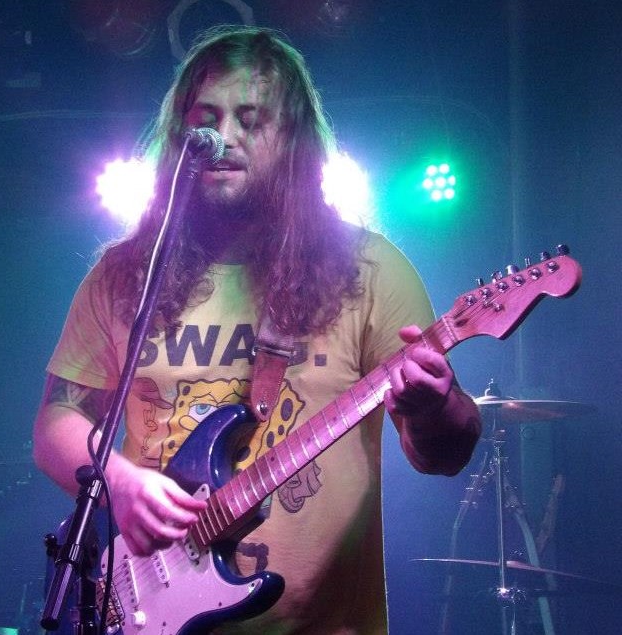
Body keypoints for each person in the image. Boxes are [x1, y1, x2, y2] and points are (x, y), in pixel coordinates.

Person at [33, 25, 481, 635]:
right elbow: (56, 422)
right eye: (207, 119)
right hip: (142, 607)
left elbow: (445, 456)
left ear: (293, 141)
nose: (225, 137)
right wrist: (122, 485)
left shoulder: (371, 270)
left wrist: (433, 406)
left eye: (251, 119)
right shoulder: (127, 274)